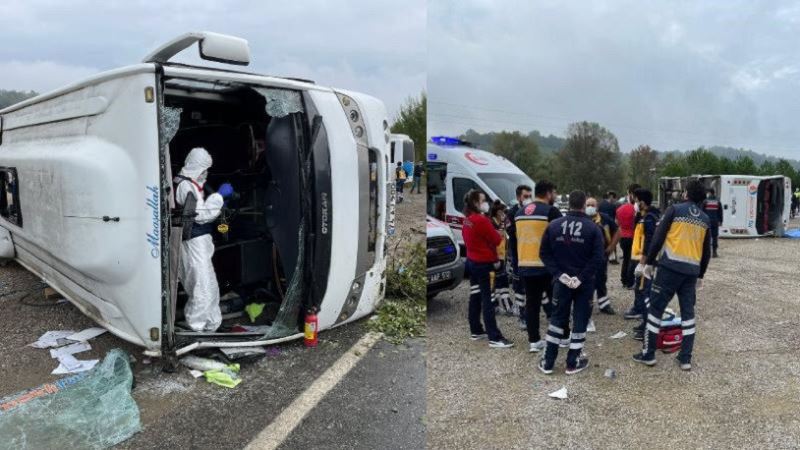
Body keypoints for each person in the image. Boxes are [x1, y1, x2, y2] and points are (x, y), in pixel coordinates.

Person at [633, 179, 711, 371]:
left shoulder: (674, 210)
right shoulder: (705, 219)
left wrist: (649, 263)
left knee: (656, 310)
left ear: (686, 193)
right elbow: (706, 251)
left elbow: (658, 237)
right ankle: (685, 358)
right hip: (691, 273)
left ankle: (648, 354)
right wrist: (701, 274)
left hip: (669, 269)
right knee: (688, 314)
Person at [537, 190, 604, 375]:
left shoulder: (554, 226)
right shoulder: (593, 228)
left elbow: (544, 253)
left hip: (561, 282)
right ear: (584, 205)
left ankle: (548, 362)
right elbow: (598, 258)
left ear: (569, 204)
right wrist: (581, 277)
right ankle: (572, 362)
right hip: (584, 284)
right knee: (580, 320)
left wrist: (559, 274)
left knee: (557, 320)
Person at [174, 147, 235, 332]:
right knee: (201, 290)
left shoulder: (188, 183)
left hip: (198, 243)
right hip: (193, 244)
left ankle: (212, 326)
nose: (206, 174)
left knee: (211, 287)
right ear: (196, 167)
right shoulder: (186, 186)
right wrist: (219, 196)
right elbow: (200, 215)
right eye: (204, 169)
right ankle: (196, 330)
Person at [462, 189, 513, 348]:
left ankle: (476, 330)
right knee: (488, 300)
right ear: (476, 203)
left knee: (475, 295)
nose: (486, 204)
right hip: (484, 265)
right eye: (483, 200)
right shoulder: (481, 220)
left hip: (472, 262)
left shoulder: (467, 219)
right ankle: (494, 337)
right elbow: (497, 239)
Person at [516, 180, 562, 353]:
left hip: (525, 263)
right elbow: (559, 239)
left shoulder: (520, 213)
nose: (555, 196)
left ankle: (534, 341)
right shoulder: (551, 211)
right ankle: (563, 336)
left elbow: (514, 240)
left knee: (532, 304)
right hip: (546, 266)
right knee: (557, 302)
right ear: (549, 193)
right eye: (554, 193)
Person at [626, 189, 661, 340]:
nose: (634, 203)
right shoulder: (643, 216)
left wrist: (643, 262)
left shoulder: (650, 218)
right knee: (640, 290)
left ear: (642, 202)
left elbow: (650, 241)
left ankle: (647, 327)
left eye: (636, 200)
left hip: (645, 261)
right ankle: (643, 321)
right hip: (639, 258)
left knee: (645, 292)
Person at [505, 185, 533, 329]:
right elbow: (511, 231)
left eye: (530, 196)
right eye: (525, 196)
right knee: (520, 287)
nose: (528, 199)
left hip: (533, 256)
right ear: (518, 197)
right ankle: (522, 316)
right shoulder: (512, 213)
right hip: (518, 256)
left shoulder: (534, 211)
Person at [586, 196, 619, 315]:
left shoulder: (604, 218)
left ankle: (604, 304)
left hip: (601, 255)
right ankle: (584, 305)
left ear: (597, 207)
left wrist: (611, 247)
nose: (590, 208)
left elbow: (617, 230)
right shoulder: (582, 218)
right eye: (588, 205)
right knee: (585, 280)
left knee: (601, 280)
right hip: (585, 257)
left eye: (592, 205)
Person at [490, 201, 513, 314]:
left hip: (502, 255)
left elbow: (509, 229)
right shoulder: (491, 223)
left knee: (501, 280)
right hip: (494, 256)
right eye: (503, 212)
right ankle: (497, 305)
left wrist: (505, 220)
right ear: (498, 212)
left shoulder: (502, 221)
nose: (505, 214)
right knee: (496, 281)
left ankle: (502, 303)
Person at [616, 184, 640, 289]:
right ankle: (630, 281)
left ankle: (623, 280)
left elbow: (617, 223)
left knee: (625, 259)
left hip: (622, 237)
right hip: (632, 236)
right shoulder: (635, 210)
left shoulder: (619, 209)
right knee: (631, 259)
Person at [701, 188, 723, 258]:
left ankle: (705, 253)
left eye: (708, 193)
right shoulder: (718, 201)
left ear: (710, 193)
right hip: (715, 222)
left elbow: (702, 212)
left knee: (706, 237)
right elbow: (720, 212)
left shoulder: (705, 202)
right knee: (715, 237)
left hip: (707, 222)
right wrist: (720, 221)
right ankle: (714, 252)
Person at [599, 191, 619, 264]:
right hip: (610, 226)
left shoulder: (600, 204)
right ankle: (613, 258)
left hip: (601, 225)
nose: (614, 200)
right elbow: (614, 217)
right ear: (611, 197)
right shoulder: (612, 206)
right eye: (614, 198)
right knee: (612, 240)